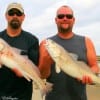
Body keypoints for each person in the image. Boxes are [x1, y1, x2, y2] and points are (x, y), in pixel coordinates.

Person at [39, 5, 100, 100]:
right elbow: (42, 75)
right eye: (61, 16)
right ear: (56, 20)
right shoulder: (45, 43)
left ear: (73, 20)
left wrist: (90, 74)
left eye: (68, 16)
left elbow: (95, 66)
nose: (64, 18)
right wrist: (45, 62)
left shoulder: (87, 41)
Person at [0, 2, 39, 100]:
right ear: (6, 16)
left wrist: (24, 71)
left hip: (23, 96)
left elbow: (35, 66)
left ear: (23, 17)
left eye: (18, 13)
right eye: (11, 13)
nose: (15, 16)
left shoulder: (32, 40)